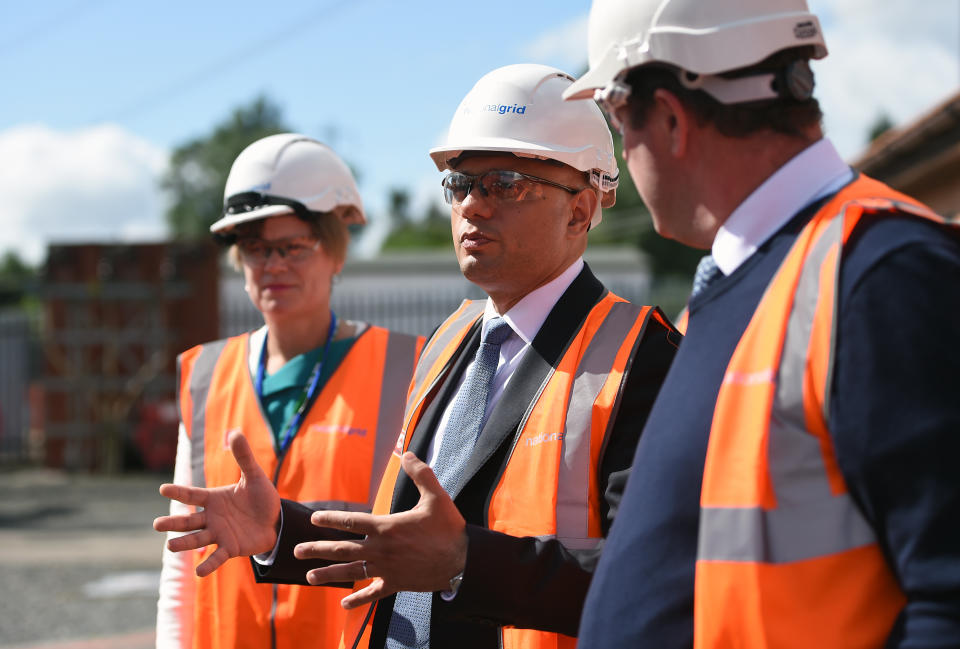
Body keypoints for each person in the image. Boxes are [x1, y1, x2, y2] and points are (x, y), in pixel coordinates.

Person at [154, 63, 681, 649]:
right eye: (461, 184)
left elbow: (656, 581)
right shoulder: (449, 341)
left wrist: (465, 565)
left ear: (580, 210)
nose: (474, 207)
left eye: (506, 183)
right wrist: (282, 527)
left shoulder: (647, 361)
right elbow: (409, 541)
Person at [562, 1, 960, 647]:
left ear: (668, 116)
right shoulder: (740, 287)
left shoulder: (885, 274)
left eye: (614, 119)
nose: (623, 151)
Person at [155, 133, 423, 649]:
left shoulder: (408, 369)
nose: (272, 264)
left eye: (293, 246)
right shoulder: (206, 373)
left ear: (336, 251)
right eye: (254, 248)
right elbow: (181, 566)